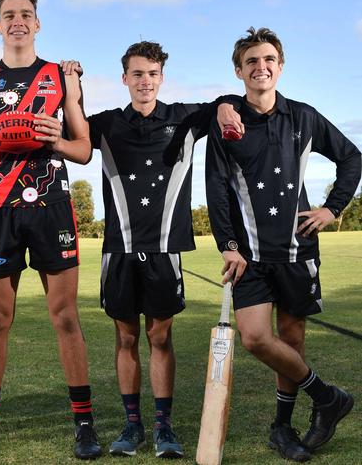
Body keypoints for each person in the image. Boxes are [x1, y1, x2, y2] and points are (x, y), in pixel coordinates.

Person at [62, 42, 242, 459]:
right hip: (119, 250)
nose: (145, 81)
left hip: (165, 250)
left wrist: (225, 108)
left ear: (162, 77)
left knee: (160, 338)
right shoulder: (106, 123)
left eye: (153, 74)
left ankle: (164, 428)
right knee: (125, 338)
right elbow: (75, 132)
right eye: (137, 74)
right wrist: (74, 85)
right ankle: (132, 426)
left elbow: (223, 101)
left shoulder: (183, 117)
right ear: (124, 78)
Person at [205, 27, 360, 462]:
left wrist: (332, 208)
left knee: (292, 342)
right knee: (256, 339)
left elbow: (352, 157)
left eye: (269, 59)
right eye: (252, 61)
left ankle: (282, 428)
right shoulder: (228, 121)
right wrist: (227, 245)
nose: (261, 67)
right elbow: (216, 188)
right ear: (239, 70)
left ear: (280, 66)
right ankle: (327, 397)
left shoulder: (304, 117)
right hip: (249, 255)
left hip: (298, 249)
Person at [0, 0, 100, 461]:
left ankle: (84, 422)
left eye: (25, 14)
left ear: (37, 23)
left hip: (51, 205)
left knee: (64, 316)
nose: (17, 21)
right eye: (8, 15)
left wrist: (54, 137)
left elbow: (83, 150)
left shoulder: (61, 77)